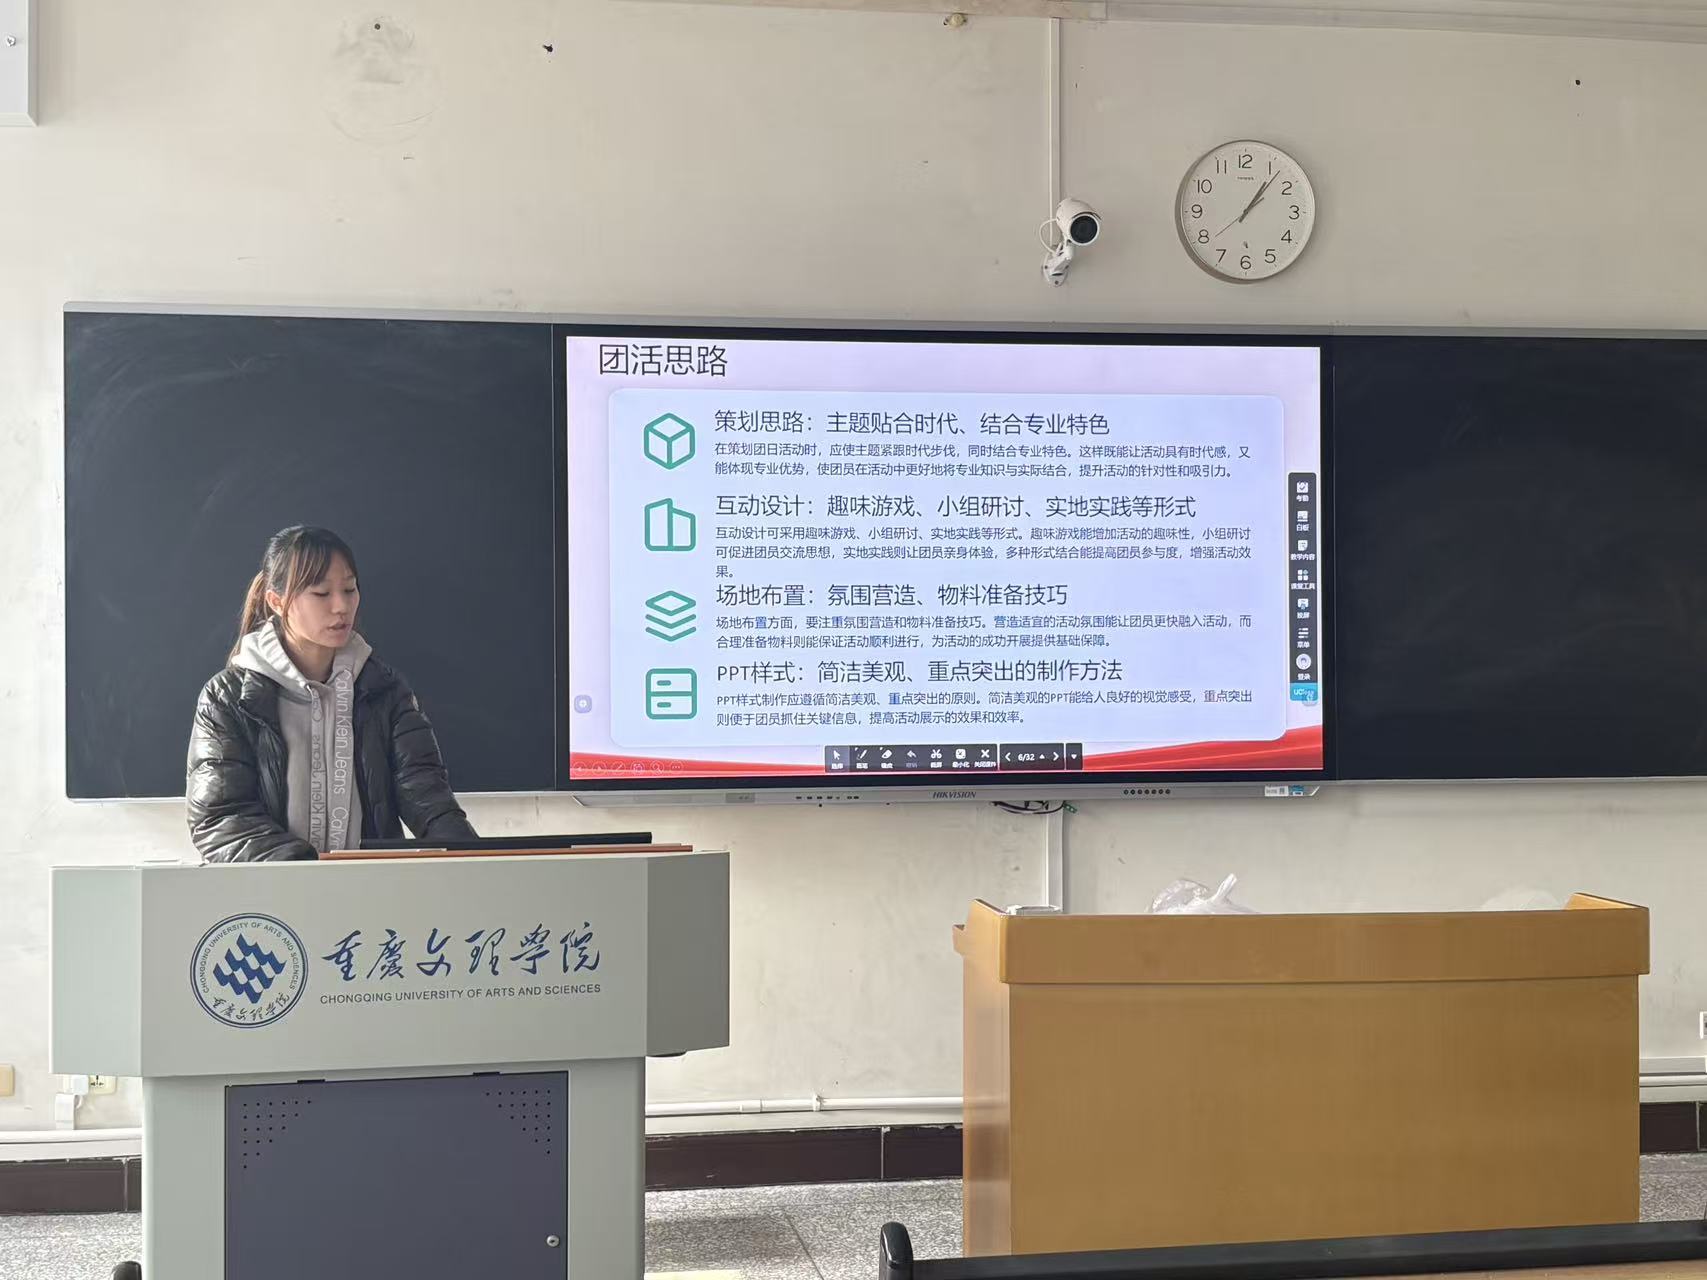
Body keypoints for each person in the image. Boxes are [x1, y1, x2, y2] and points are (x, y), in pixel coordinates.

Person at [187, 526, 476, 862]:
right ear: (276, 602)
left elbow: (427, 795)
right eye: (321, 593)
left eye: (350, 589)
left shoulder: (384, 690)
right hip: (273, 890)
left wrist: (477, 860)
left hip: (367, 887)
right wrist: (309, 870)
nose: (341, 606)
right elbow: (220, 819)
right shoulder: (227, 698)